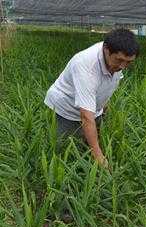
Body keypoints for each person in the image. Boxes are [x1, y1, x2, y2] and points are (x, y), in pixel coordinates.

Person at [44, 28, 139, 167]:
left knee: (90, 142)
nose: (123, 66)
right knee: (64, 153)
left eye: (128, 62)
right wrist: (98, 156)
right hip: (66, 107)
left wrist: (103, 107)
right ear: (106, 49)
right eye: (119, 60)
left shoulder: (115, 61)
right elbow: (86, 117)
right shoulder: (86, 66)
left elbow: (106, 84)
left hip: (92, 108)